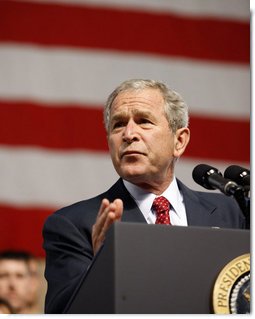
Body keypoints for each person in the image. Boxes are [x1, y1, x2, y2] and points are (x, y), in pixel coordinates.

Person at [43, 79, 245, 314]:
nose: (129, 134)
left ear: (179, 141)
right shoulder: (73, 224)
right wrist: (102, 268)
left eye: (144, 121)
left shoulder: (232, 212)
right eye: (118, 125)